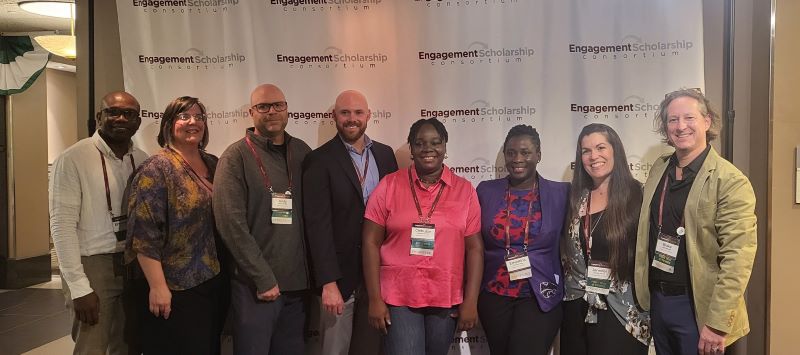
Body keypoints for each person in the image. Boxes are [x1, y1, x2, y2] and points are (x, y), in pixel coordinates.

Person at [634, 88, 757, 355]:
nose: (681, 127)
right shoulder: (659, 168)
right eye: (673, 120)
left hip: (699, 307)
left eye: (689, 118)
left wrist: (717, 323)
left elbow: (738, 257)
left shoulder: (730, 181)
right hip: (658, 301)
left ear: (707, 121)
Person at [362, 118, 483, 355]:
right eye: (419, 143)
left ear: (445, 146)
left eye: (436, 142)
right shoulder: (389, 185)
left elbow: (474, 249)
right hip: (399, 296)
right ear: (411, 148)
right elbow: (370, 241)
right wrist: (374, 299)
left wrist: (471, 300)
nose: (428, 149)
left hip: (445, 294)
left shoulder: (465, 190)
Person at [213, 84, 312, 355]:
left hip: (297, 286)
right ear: (251, 112)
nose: (272, 112)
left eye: (278, 105)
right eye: (263, 107)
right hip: (255, 287)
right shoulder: (235, 157)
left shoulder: (302, 151)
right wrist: (263, 278)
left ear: (287, 109)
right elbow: (230, 225)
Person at [126, 96, 228, 354]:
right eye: (184, 116)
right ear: (169, 124)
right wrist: (158, 287)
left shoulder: (214, 163)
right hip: (175, 287)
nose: (193, 121)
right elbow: (144, 233)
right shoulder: (156, 168)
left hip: (212, 279)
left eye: (199, 116)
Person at [49, 91, 148, 354]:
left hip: (133, 263)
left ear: (138, 121)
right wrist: (79, 287)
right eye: (112, 112)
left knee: (127, 343)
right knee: (91, 345)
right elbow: (61, 225)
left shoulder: (142, 159)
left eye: (128, 114)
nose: (120, 118)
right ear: (98, 117)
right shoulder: (73, 159)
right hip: (93, 265)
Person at [303, 90, 398, 355]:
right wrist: (328, 282)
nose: (352, 119)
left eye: (358, 112)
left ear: (369, 116)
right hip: (340, 279)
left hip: (378, 276)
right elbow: (316, 226)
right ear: (335, 116)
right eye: (345, 113)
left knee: (369, 349)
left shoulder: (385, 155)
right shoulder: (318, 160)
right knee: (335, 349)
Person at [475, 124, 569, 355]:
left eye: (525, 152)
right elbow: (473, 244)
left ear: (538, 155)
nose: (517, 159)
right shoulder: (486, 191)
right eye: (511, 152)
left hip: (540, 294)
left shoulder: (561, 193)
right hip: (494, 294)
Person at [560, 123, 650, 355]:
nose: (594, 156)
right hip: (576, 306)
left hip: (621, 309)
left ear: (615, 151)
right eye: (586, 151)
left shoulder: (638, 196)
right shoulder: (575, 198)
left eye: (601, 147)